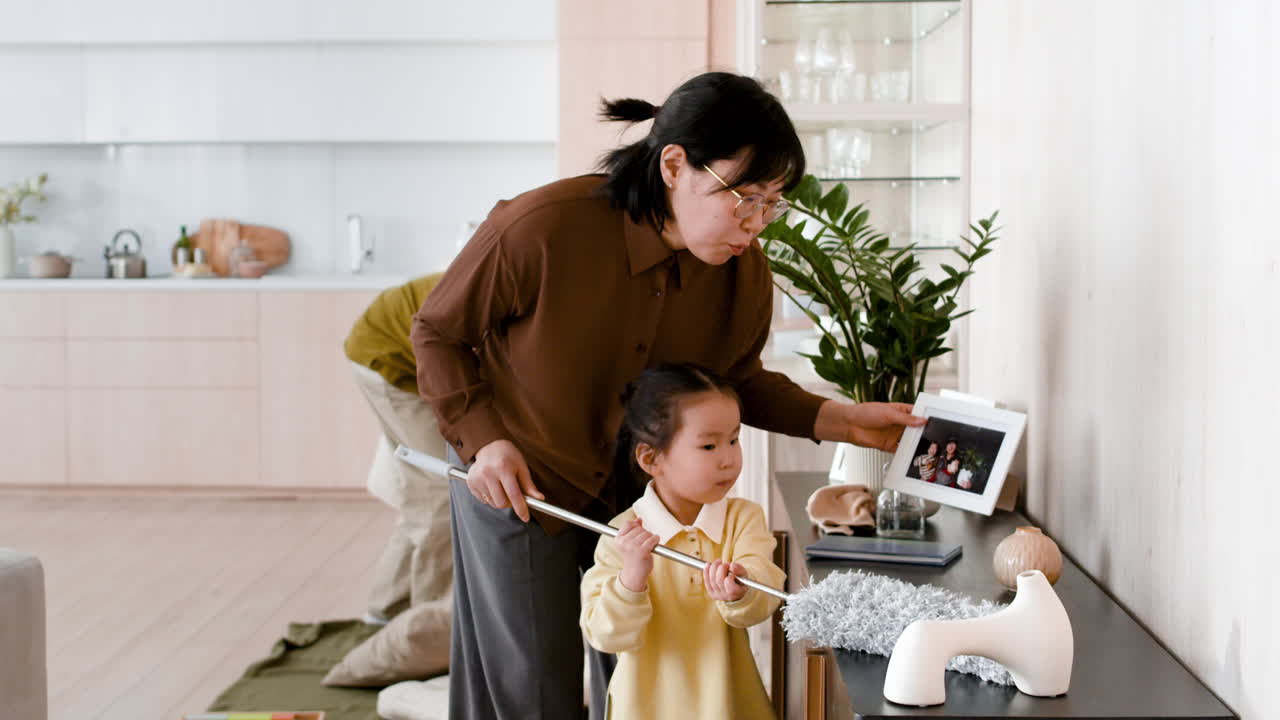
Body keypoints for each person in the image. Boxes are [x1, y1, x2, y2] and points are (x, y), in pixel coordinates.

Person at [410, 71, 924, 720]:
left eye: (774, 202)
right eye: (744, 198)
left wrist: (845, 419)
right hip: (520, 485)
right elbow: (437, 333)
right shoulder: (541, 227)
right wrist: (485, 444)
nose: (758, 223)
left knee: (637, 675)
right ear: (675, 165)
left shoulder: (743, 273)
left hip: (637, 498)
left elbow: (735, 382)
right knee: (534, 688)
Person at [581, 364, 785, 720]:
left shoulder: (742, 518)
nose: (728, 459)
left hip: (731, 706)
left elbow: (765, 593)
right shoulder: (621, 535)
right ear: (650, 458)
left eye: (734, 439)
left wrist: (742, 589)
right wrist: (632, 578)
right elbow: (605, 636)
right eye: (709, 445)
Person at [344, 273, 453, 629]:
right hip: (388, 351)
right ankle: (429, 626)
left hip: (393, 340)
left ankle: (385, 609)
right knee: (444, 494)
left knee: (425, 494)